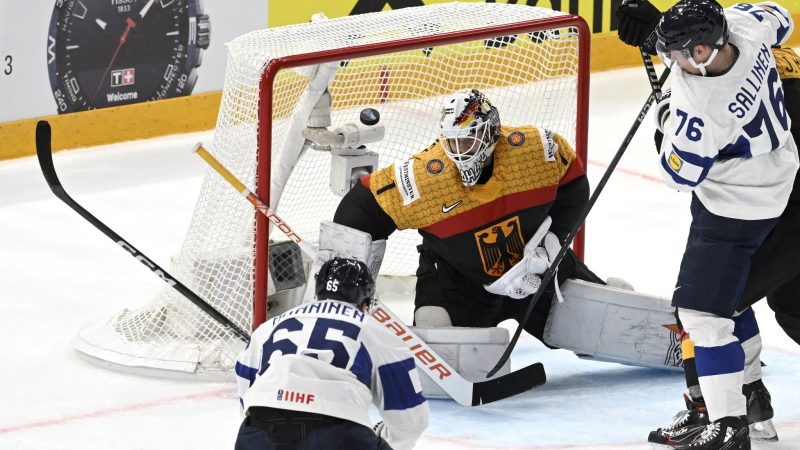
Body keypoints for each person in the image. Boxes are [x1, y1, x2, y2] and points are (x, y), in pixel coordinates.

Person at [616, 1, 798, 448]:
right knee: (728, 295)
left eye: (677, 53)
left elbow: (680, 174)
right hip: (778, 173)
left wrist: (665, 117)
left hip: (736, 206)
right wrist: (660, 26)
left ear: (701, 52)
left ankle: (728, 421)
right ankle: (746, 400)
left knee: (700, 311)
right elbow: (781, 17)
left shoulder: (701, 112)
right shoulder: (742, 30)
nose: (669, 60)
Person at [331, 87, 604, 350]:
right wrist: (346, 284)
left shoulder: (534, 151)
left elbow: (574, 184)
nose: (460, 149)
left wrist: (551, 243)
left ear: (492, 131)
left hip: (537, 272)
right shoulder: (425, 177)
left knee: (606, 326)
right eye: (453, 140)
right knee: (437, 334)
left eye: (468, 138)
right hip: (458, 283)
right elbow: (363, 208)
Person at [234, 257, 429, 450]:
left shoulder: (267, 328)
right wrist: (380, 439)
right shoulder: (377, 333)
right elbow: (409, 422)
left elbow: (246, 394)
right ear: (366, 302)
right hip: (337, 433)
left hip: (259, 431)